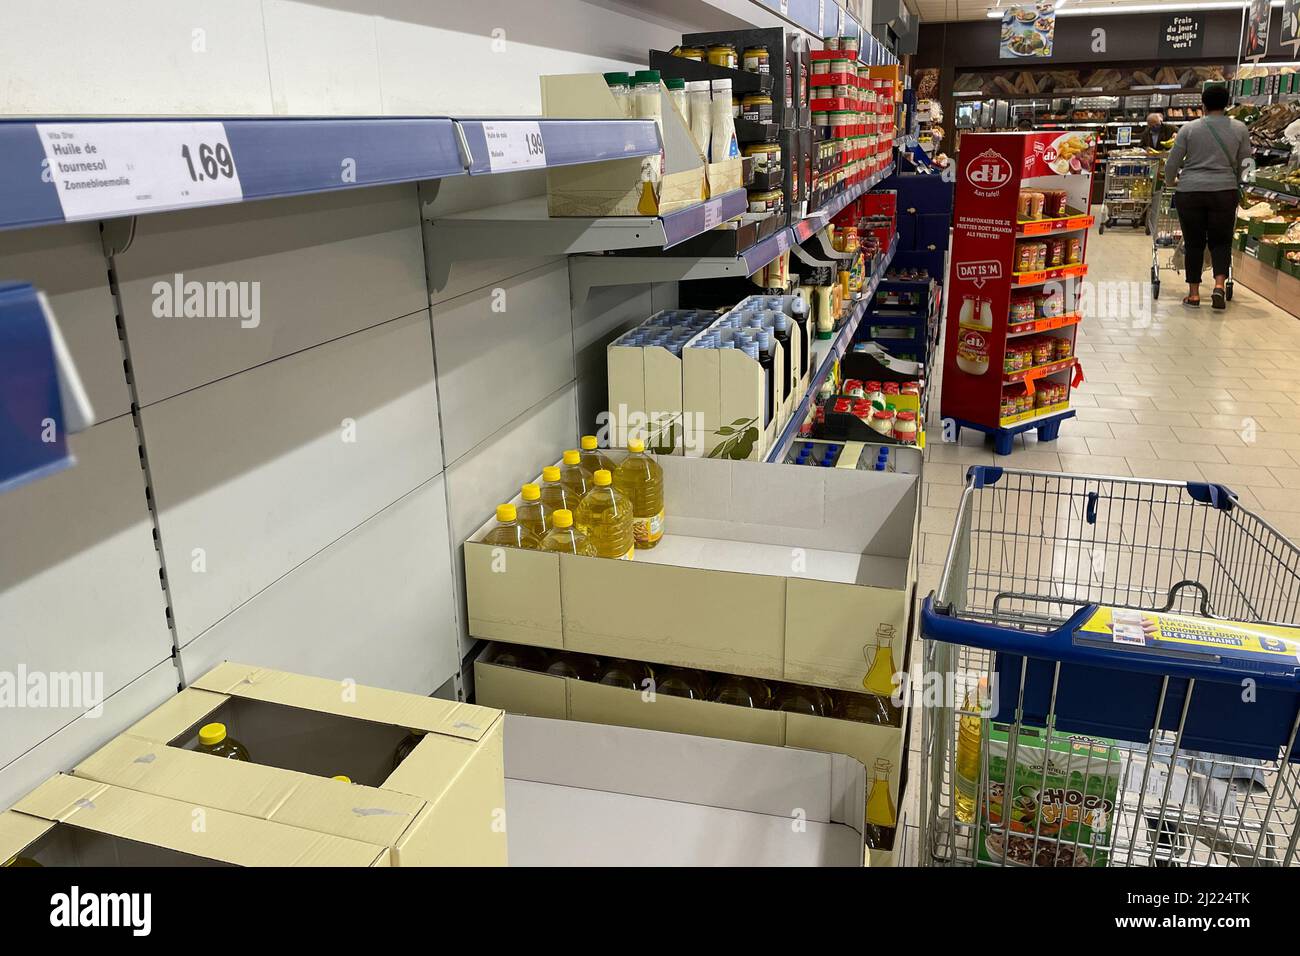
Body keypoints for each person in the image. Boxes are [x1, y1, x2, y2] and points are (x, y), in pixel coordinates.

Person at [1164, 85, 1251, 310]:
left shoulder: (1189, 128)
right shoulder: (1240, 128)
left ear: (1203, 104)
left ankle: (1193, 294)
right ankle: (1219, 286)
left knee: (1194, 243)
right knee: (1221, 241)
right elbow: (1246, 162)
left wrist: (1170, 181)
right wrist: (1241, 183)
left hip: (1190, 192)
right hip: (1224, 192)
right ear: (1226, 104)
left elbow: (1173, 161)